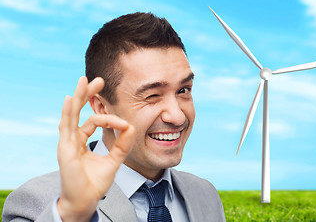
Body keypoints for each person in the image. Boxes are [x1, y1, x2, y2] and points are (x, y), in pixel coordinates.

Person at [2, 12, 226, 222]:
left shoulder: (204, 195)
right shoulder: (37, 204)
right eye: (152, 96)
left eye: (183, 90)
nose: (177, 116)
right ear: (101, 107)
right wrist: (72, 212)